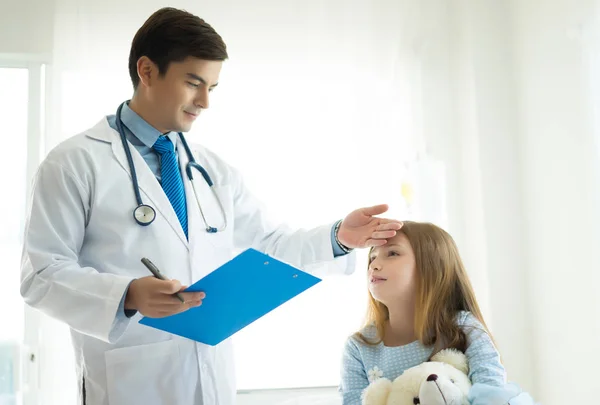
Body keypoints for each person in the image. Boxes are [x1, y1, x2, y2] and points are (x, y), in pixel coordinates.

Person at [19, 7, 402, 405]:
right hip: (129, 382)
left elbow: (269, 243)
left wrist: (337, 238)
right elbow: (41, 275)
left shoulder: (212, 169)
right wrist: (128, 294)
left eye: (212, 88)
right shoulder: (74, 163)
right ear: (147, 71)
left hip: (211, 375)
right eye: (193, 83)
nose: (204, 101)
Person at [339, 221, 506, 404]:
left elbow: (492, 394)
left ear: (432, 265)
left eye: (392, 253)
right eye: (373, 257)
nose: (374, 265)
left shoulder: (465, 328)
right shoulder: (358, 348)